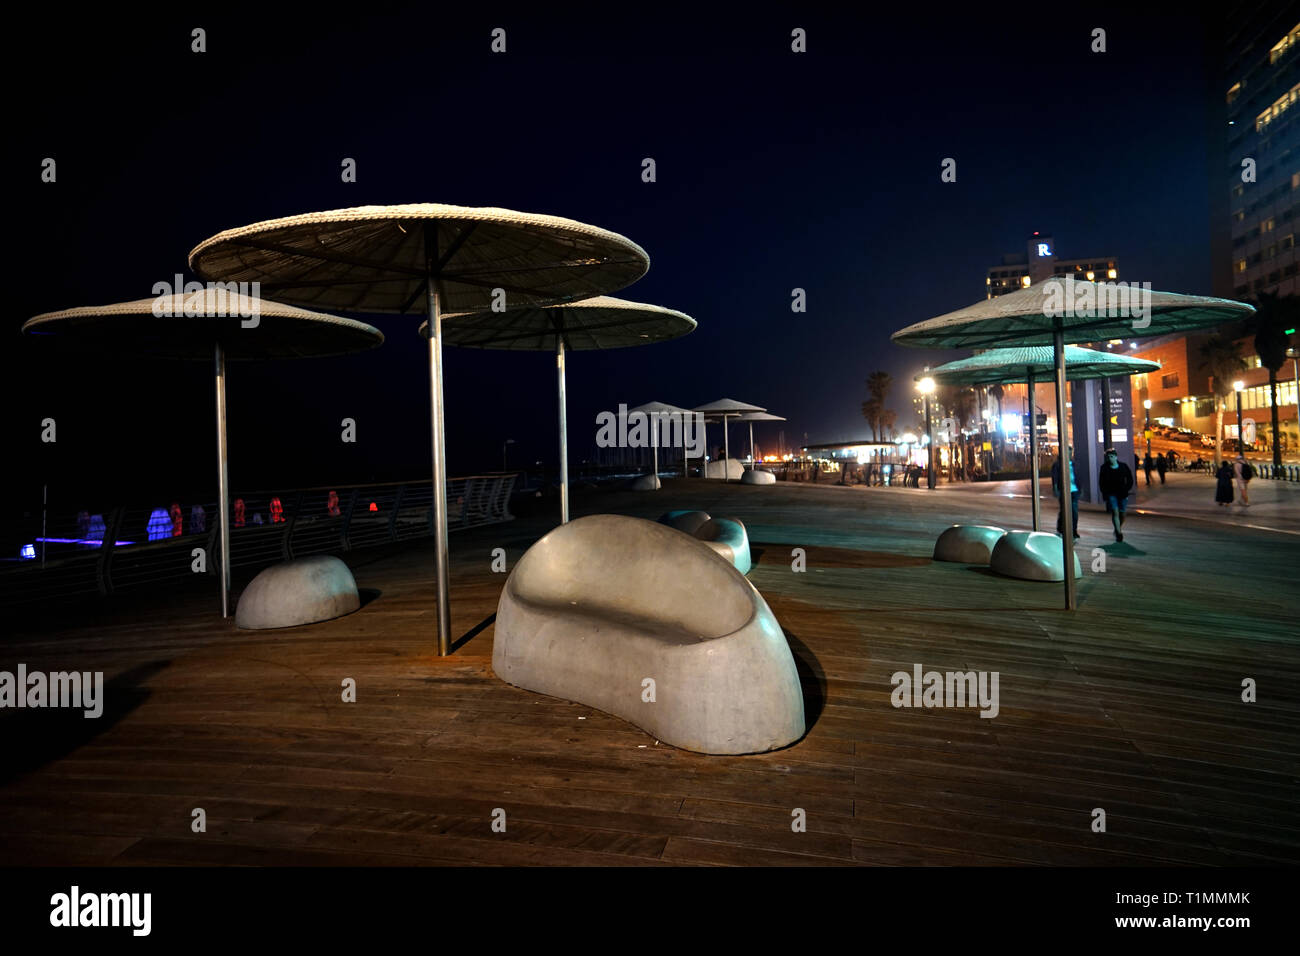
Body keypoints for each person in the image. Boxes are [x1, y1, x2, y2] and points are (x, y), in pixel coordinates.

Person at [1098, 448, 1134, 542]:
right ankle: (1119, 533)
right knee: (1115, 512)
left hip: (1122, 493)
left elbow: (1130, 479)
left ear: (1116, 457)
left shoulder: (1123, 466)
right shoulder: (1104, 468)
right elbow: (1101, 482)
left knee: (1123, 513)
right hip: (1111, 493)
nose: (1110, 458)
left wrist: (1127, 489)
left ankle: (1118, 528)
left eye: (1112, 456)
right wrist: (1104, 493)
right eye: (1109, 457)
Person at [1050, 447, 1079, 539]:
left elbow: (1078, 476)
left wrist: (1080, 488)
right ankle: (1060, 529)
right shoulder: (1058, 464)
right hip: (1063, 491)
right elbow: (1054, 477)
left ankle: (1074, 530)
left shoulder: (1074, 464)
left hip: (1074, 491)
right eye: (1068, 453)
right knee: (1064, 510)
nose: (1069, 455)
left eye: (1070, 453)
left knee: (1074, 511)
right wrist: (1055, 488)